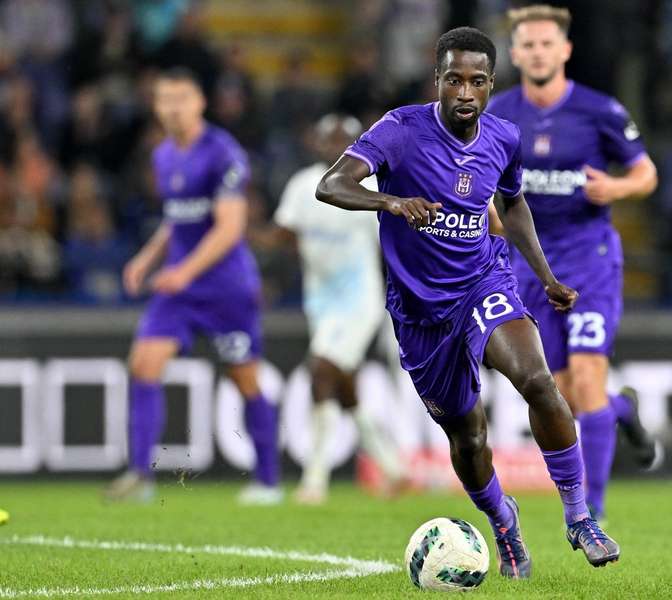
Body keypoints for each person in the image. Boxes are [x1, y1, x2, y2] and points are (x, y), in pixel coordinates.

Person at [316, 27, 617, 578]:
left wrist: (545, 277)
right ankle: (505, 523)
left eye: (477, 82)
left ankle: (579, 517)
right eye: (454, 79)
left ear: (490, 84)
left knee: (538, 382)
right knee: (469, 437)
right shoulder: (400, 130)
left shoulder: (503, 137)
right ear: (438, 80)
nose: (464, 92)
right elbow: (331, 185)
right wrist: (391, 200)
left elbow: (515, 204)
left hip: (484, 281)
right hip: (420, 314)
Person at [487, 5, 661, 523]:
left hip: (590, 260)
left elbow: (646, 172)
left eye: (547, 44)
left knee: (585, 381)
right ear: (515, 54)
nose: (538, 52)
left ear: (564, 50)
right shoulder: (498, 114)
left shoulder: (599, 110)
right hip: (530, 268)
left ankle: (593, 510)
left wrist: (618, 187)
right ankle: (622, 410)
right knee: (561, 394)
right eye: (529, 45)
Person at [104, 68, 281, 505]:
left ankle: (268, 482)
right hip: (178, 289)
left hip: (226, 289)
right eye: (165, 99)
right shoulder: (163, 155)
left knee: (245, 380)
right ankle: (140, 477)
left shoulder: (224, 153)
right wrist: (148, 257)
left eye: (182, 97)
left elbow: (230, 228)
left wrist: (183, 271)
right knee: (144, 362)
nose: (173, 107)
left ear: (200, 101)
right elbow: (177, 218)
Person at [273, 113, 407, 504]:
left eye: (343, 139)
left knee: (322, 370)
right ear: (315, 142)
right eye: (327, 138)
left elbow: (391, 244)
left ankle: (314, 479)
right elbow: (285, 232)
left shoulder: (367, 186)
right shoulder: (302, 185)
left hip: (361, 301)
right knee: (343, 386)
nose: (334, 146)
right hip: (321, 302)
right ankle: (392, 467)